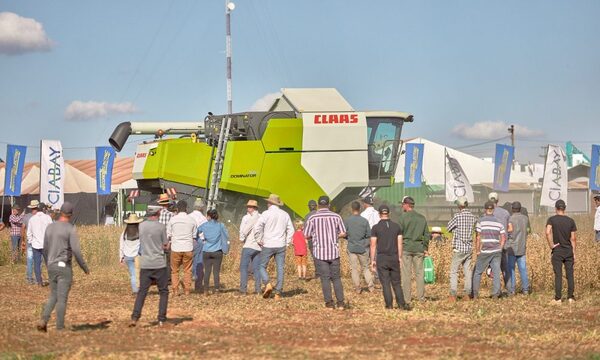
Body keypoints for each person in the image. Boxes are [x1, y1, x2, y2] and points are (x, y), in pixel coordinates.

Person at [36, 202, 90, 332]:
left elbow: (45, 248)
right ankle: (60, 327)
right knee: (62, 298)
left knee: (53, 295)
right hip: (64, 266)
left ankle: (44, 319)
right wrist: (84, 267)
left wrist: (49, 262)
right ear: (71, 214)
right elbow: (76, 251)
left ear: (60, 212)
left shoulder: (49, 227)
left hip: (51, 265)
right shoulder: (70, 228)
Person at [304, 196, 347, 309]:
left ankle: (329, 303)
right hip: (334, 252)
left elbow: (306, 235)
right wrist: (335, 236)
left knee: (325, 278)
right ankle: (341, 303)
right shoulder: (336, 216)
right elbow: (343, 233)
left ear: (318, 205)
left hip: (320, 253)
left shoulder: (312, 218)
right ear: (329, 205)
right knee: (336, 278)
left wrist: (314, 236)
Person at [130, 205, 169, 327]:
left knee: (142, 291)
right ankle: (161, 319)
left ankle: (135, 317)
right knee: (163, 291)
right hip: (159, 263)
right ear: (158, 213)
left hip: (145, 263)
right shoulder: (161, 227)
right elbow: (165, 245)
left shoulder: (141, 226)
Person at [255, 194, 294, 300]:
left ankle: (267, 284)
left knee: (261, 266)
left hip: (268, 244)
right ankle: (278, 293)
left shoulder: (266, 213)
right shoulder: (285, 214)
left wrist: (258, 240)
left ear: (270, 203)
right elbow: (291, 229)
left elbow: (257, 227)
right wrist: (287, 243)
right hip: (281, 245)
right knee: (280, 268)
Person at [370, 205, 409, 310]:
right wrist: (400, 257)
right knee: (396, 283)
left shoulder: (375, 228)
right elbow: (400, 244)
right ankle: (401, 304)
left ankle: (389, 305)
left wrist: (372, 260)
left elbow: (373, 245)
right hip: (394, 257)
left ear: (379, 214)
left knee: (386, 283)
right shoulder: (397, 227)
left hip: (382, 258)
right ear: (389, 213)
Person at [398, 196, 430, 303]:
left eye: (402, 204)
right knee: (419, 274)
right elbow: (426, 234)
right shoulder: (422, 218)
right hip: (419, 249)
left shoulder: (402, 217)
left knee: (406, 275)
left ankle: (407, 299)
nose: (402, 206)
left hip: (406, 248)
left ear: (407, 205)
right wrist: (425, 247)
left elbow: (399, 234)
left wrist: (399, 249)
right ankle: (421, 298)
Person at [472, 201, 506, 299]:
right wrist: (500, 247)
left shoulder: (480, 221)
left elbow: (478, 237)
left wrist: (477, 250)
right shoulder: (499, 222)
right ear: (493, 209)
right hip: (496, 251)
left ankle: (475, 294)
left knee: (478, 272)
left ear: (485, 209)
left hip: (485, 251)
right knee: (496, 273)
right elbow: (503, 237)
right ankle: (495, 294)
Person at [546, 199, 577, 304]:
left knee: (558, 274)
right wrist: (574, 252)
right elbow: (573, 238)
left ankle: (558, 299)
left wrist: (551, 245)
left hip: (557, 250)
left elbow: (547, 232)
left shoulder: (552, 219)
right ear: (564, 209)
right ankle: (571, 297)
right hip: (568, 250)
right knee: (570, 274)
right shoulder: (570, 221)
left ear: (556, 208)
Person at [446, 196, 477, 301]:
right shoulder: (473, 217)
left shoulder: (457, 216)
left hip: (459, 248)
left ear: (459, 205)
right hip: (468, 248)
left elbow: (448, 228)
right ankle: (467, 294)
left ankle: (453, 294)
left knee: (454, 271)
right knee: (468, 272)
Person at [343, 201, 374, 293]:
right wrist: (364, 243)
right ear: (360, 209)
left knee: (354, 268)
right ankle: (371, 287)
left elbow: (344, 234)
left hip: (352, 247)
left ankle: (357, 288)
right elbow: (369, 235)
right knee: (365, 268)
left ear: (352, 209)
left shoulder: (347, 221)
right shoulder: (364, 221)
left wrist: (349, 238)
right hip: (362, 248)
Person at [167, 200, 196, 296]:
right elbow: (194, 235)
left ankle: (175, 290)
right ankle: (187, 290)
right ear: (186, 208)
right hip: (188, 247)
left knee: (174, 270)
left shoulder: (173, 220)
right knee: (187, 270)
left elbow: (169, 234)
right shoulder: (192, 220)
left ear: (177, 209)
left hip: (176, 248)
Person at [197, 209, 228, 294]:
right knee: (216, 271)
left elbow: (197, 232)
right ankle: (217, 289)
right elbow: (226, 236)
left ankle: (206, 289)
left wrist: (202, 240)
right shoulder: (220, 225)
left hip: (206, 250)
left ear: (209, 216)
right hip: (217, 251)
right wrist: (225, 248)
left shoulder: (204, 225)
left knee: (207, 271)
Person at [488, 192, 511, 291]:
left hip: (492, 244)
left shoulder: (488, 213)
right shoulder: (506, 213)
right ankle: (510, 289)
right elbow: (509, 228)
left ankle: (497, 290)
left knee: (494, 267)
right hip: (504, 244)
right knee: (505, 268)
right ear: (498, 201)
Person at [506, 201, 530, 295]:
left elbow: (510, 232)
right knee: (523, 269)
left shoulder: (510, 219)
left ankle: (512, 290)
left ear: (512, 209)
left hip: (512, 248)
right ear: (520, 209)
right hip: (522, 247)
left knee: (511, 269)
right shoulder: (525, 218)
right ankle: (525, 289)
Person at [27, 202, 53, 286]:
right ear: (43, 209)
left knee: (37, 264)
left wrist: (31, 242)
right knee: (49, 263)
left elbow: (29, 233)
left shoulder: (32, 219)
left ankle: (39, 282)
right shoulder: (48, 218)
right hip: (46, 244)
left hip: (36, 245)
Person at [239, 199, 262, 294]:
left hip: (248, 245)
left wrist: (241, 238)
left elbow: (243, 230)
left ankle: (243, 290)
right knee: (257, 269)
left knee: (244, 268)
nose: (248, 208)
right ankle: (258, 289)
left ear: (253, 208)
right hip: (259, 246)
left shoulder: (246, 218)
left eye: (249, 206)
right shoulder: (261, 217)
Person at [120, 213, 142, 294]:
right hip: (137, 255)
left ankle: (135, 290)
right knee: (138, 273)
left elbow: (121, 246)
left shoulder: (124, 234)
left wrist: (121, 257)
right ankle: (137, 289)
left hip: (127, 256)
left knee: (133, 273)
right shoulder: (140, 232)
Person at [189, 198, 208, 289]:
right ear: (202, 208)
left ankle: (186, 285)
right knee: (199, 262)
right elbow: (204, 233)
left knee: (187, 263)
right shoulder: (203, 218)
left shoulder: (189, 216)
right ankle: (198, 284)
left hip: (187, 241)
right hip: (199, 242)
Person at [21, 200, 37, 284]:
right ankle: (37, 277)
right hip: (38, 241)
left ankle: (29, 278)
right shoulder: (40, 216)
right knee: (38, 260)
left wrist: (23, 240)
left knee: (29, 259)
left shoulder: (26, 216)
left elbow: (23, 228)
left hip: (29, 240)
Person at [305, 199, 319, 278]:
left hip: (312, 239)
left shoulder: (307, 216)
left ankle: (318, 273)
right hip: (322, 239)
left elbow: (306, 230)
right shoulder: (320, 214)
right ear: (316, 207)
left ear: (309, 207)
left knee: (315, 257)